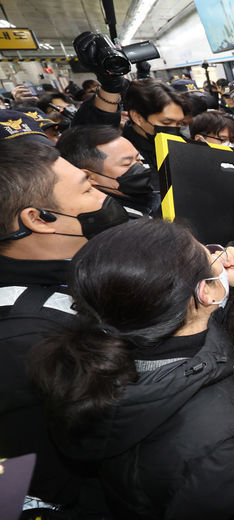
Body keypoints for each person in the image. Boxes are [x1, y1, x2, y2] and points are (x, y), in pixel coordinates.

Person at [28, 219, 234, 519]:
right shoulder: (227, 442)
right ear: (204, 293)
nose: (219, 256)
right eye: (211, 256)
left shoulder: (84, 362)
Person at [0, 139, 128, 516]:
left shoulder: (82, 264)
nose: (102, 195)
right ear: (38, 219)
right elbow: (38, 479)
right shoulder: (22, 340)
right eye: (87, 188)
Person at [56, 125, 160, 218]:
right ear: (88, 177)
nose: (139, 166)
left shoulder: (157, 196)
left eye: (138, 159)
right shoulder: (114, 222)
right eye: (127, 164)